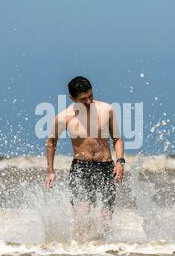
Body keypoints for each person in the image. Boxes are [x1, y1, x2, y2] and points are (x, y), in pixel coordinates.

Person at [45, 76, 125, 237]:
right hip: (80, 168)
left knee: (106, 219)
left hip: (106, 167)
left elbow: (117, 139)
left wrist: (120, 161)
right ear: (72, 98)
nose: (88, 101)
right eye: (83, 99)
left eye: (90, 96)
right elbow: (51, 142)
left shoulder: (106, 110)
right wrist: (50, 171)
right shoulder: (63, 117)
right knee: (82, 217)